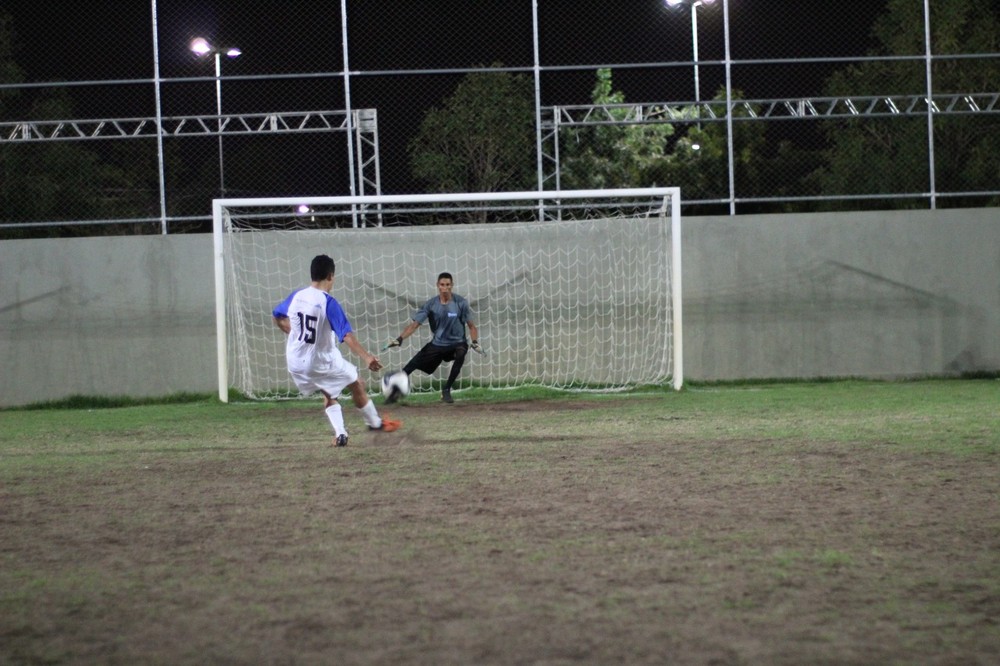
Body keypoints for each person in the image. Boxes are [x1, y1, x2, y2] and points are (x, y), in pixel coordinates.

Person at [272, 254, 401, 446]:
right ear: (331, 276)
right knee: (356, 383)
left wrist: (294, 334)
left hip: (296, 362)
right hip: (320, 361)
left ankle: (341, 434)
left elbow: (277, 315)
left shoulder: (297, 296)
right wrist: (367, 358)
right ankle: (375, 424)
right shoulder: (328, 302)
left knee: (328, 392)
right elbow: (346, 335)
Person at [385, 271, 481, 404]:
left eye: (448, 285)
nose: (445, 288)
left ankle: (446, 390)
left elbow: (471, 326)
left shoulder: (461, 303)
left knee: (461, 352)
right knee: (410, 366)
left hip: (457, 343)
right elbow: (414, 325)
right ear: (438, 285)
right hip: (438, 345)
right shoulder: (431, 304)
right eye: (442, 284)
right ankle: (394, 393)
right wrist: (400, 339)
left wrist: (475, 342)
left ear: (452, 285)